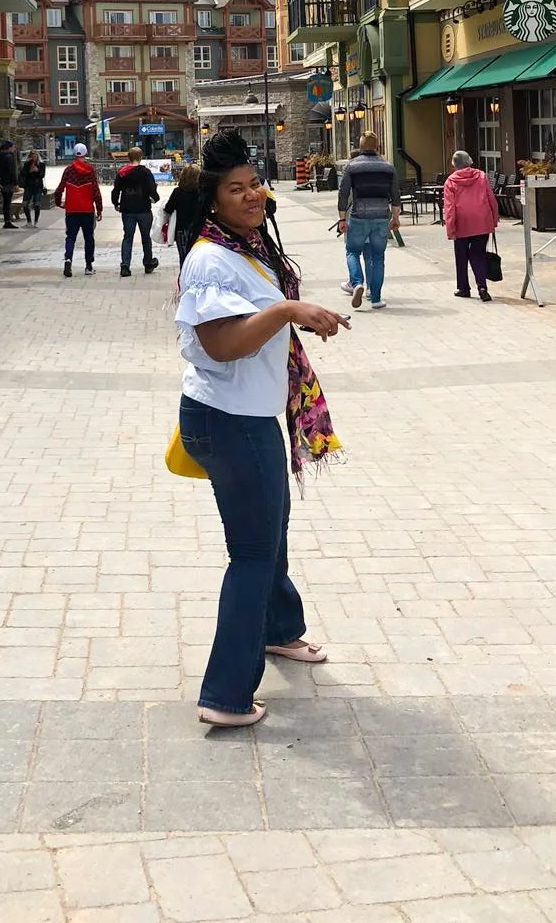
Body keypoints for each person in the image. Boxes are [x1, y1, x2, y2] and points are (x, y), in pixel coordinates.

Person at [177, 129, 348, 729]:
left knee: (270, 532)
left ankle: (279, 629)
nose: (251, 196)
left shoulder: (246, 245)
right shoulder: (210, 258)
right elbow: (221, 344)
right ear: (213, 198)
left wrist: (292, 311)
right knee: (251, 553)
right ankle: (224, 695)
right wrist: (286, 311)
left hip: (250, 417)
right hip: (229, 421)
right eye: (236, 189)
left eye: (255, 185)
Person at [336, 131, 402, 311]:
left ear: (360, 147)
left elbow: (343, 194)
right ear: (377, 147)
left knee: (352, 251)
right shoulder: (388, 167)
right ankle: (376, 298)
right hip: (381, 216)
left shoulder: (352, 166)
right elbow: (395, 195)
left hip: (358, 216)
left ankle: (357, 282)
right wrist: (395, 218)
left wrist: (342, 219)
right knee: (378, 257)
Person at [443, 148, 499, 302]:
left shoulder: (451, 181)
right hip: (481, 220)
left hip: (461, 222)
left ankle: (463, 288)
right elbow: (491, 198)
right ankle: (482, 287)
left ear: (455, 164)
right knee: (478, 255)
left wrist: (450, 228)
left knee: (461, 256)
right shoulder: (481, 176)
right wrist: (494, 219)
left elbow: (449, 207)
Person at [54, 143, 103, 277]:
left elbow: (59, 189)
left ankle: (68, 258)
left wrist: (59, 203)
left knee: (70, 237)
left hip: (72, 210)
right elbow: (96, 191)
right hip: (87, 210)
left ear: (74, 154)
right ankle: (88, 266)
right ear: (86, 153)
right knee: (89, 238)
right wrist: (99, 209)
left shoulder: (68, 170)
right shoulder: (90, 171)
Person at [111, 146, 160, 277]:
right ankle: (148, 263)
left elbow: (116, 190)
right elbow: (152, 188)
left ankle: (125, 266)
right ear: (141, 157)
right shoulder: (145, 172)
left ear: (129, 157)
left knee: (127, 237)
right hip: (143, 208)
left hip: (127, 209)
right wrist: (155, 198)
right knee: (145, 238)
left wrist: (116, 203)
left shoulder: (122, 172)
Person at [163, 163, 202, 267]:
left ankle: (184, 278)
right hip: (199, 229)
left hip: (181, 229)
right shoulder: (201, 193)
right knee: (199, 257)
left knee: (184, 257)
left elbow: (168, 209)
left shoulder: (177, 192)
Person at [0, 140, 19, 228]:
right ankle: (7, 221)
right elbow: (11, 171)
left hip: (2, 182)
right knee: (8, 202)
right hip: (8, 182)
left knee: (5, 202)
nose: (14, 148)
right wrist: (15, 183)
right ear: (8, 148)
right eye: (12, 147)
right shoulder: (8, 157)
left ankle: (7, 220)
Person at [19, 150, 45, 225]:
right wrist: (29, 170)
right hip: (28, 185)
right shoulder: (27, 164)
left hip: (37, 186)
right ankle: (29, 221)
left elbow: (42, 175)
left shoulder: (41, 164)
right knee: (25, 203)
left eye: (34, 156)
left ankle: (36, 221)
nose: (33, 158)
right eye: (31, 156)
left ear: (37, 156)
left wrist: (37, 170)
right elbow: (23, 173)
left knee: (37, 203)